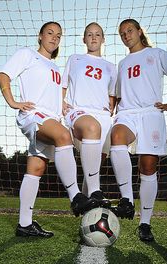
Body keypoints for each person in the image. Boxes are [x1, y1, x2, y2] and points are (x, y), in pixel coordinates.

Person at [0, 21, 98, 238]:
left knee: (35, 169)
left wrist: (63, 106)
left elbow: (53, 95)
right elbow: (3, 74)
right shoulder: (27, 54)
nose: (54, 37)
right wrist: (13, 101)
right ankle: (76, 197)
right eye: (50, 33)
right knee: (63, 136)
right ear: (40, 36)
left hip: (50, 117)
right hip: (34, 115)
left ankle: (24, 224)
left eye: (58, 35)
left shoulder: (54, 67)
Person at [110, 19, 167, 241]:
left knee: (147, 168)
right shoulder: (122, 64)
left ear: (139, 31)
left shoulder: (157, 54)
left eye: (129, 30)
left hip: (151, 115)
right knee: (117, 136)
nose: (126, 35)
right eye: (122, 33)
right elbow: (116, 97)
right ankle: (126, 199)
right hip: (127, 114)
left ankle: (144, 224)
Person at [62, 22, 117, 206]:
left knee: (95, 165)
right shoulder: (74, 59)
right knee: (91, 129)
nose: (93, 37)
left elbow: (112, 95)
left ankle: (86, 208)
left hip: (102, 117)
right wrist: (61, 104)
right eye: (90, 34)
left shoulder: (111, 67)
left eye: (98, 34)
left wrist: (109, 109)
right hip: (78, 111)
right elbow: (63, 86)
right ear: (84, 39)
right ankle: (95, 192)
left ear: (103, 39)